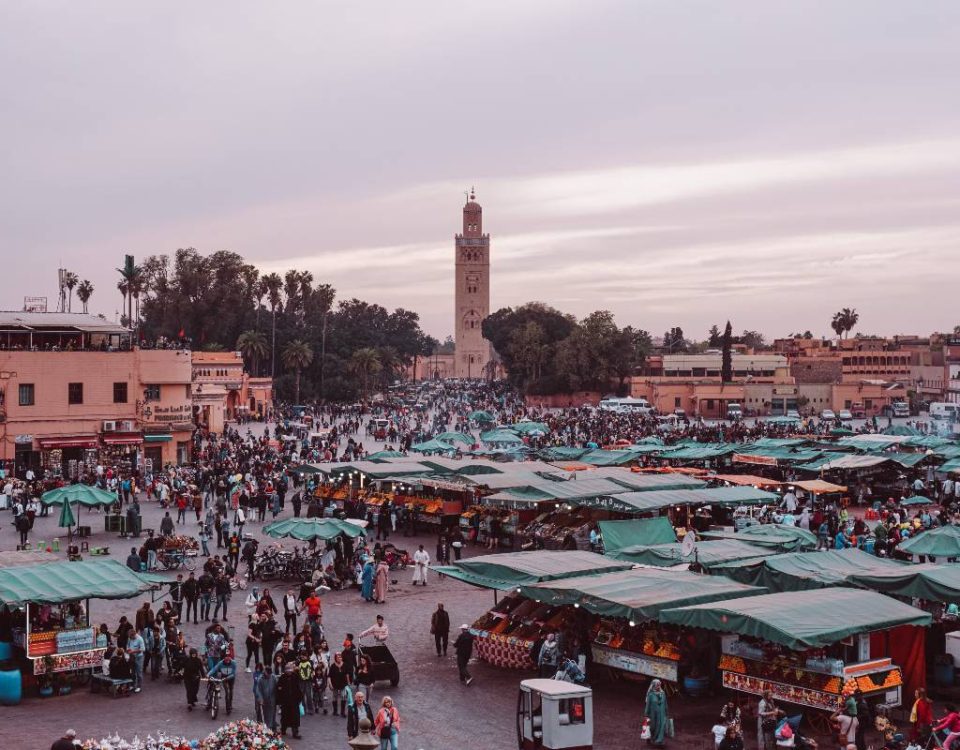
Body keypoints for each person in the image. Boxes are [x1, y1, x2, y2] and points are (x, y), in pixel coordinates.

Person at [276, 662, 303, 739]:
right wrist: (280, 700)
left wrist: (299, 698)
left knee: (295, 717)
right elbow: (279, 689)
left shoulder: (295, 676)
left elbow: (298, 688)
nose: (289, 672)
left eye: (290, 670)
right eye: (288, 670)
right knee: (285, 716)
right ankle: (283, 730)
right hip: (285, 701)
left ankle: (295, 732)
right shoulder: (282, 677)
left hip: (294, 701)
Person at [644, 678, 669, 747]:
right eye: (657, 685)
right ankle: (651, 739)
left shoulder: (663, 693)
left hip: (661, 714)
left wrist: (667, 712)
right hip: (652, 714)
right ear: (654, 685)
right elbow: (648, 705)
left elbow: (666, 703)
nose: (658, 687)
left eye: (659, 685)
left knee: (661, 726)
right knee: (653, 727)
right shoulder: (650, 695)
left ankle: (659, 741)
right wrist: (646, 714)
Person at [255, 663, 278, 732]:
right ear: (265, 672)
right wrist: (260, 699)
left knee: (272, 713)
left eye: (270, 674)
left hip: (272, 699)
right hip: (264, 700)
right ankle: (267, 727)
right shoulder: (260, 679)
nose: (269, 676)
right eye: (268, 674)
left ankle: (272, 726)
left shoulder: (273, 677)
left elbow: (276, 687)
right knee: (266, 714)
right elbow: (258, 690)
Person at [328, 651, 351, 716]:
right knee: (334, 697)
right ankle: (335, 711)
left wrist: (348, 682)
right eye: (338, 657)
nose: (339, 658)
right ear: (335, 658)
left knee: (343, 697)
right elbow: (329, 676)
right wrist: (330, 684)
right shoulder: (332, 666)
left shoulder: (345, 665)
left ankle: (342, 712)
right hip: (335, 684)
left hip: (343, 684)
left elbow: (347, 674)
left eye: (340, 657)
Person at [127, 628, 145, 693]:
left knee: (139, 673)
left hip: (138, 658)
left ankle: (139, 686)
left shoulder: (140, 639)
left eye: (131, 637)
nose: (130, 639)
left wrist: (133, 651)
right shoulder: (130, 638)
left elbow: (143, 649)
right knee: (132, 672)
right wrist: (128, 649)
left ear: (134, 635)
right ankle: (132, 684)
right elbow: (128, 645)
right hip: (132, 657)